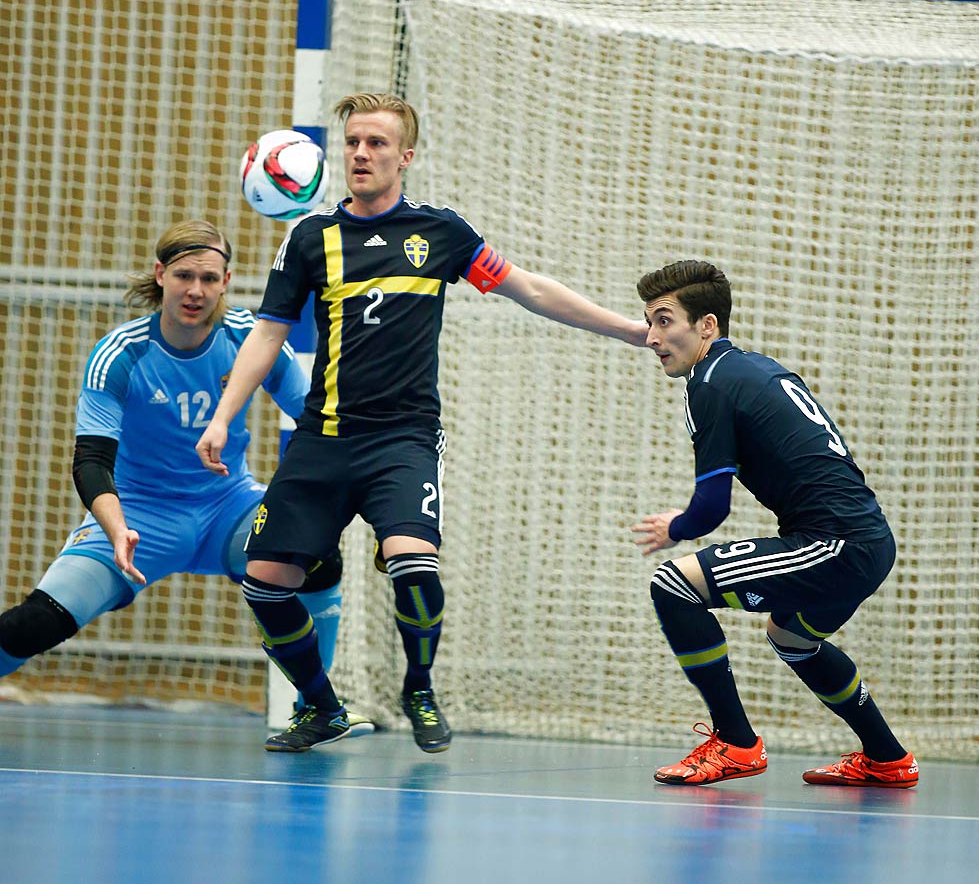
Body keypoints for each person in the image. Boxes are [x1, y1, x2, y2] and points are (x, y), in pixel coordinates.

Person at [196, 92, 649, 754]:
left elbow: (530, 289)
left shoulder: (440, 233)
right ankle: (321, 707)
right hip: (324, 438)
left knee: (414, 563)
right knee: (265, 583)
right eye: (352, 142)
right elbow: (266, 336)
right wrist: (221, 417)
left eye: (377, 143)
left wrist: (630, 331)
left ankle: (420, 687)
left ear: (404, 157)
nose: (360, 153)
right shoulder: (309, 239)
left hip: (401, 441)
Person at [0, 220, 367, 732]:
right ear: (161, 275)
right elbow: (90, 461)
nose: (196, 291)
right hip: (138, 517)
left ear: (227, 282)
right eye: (184, 276)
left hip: (228, 508)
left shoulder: (249, 340)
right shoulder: (121, 355)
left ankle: (316, 704)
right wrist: (114, 527)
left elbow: (317, 419)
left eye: (210, 279)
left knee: (319, 556)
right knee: (32, 625)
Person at [631, 258, 917, 788]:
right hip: (867, 541)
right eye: (648, 322)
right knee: (791, 638)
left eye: (664, 320)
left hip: (835, 544)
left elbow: (711, 508)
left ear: (707, 325)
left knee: (673, 586)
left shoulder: (710, 383)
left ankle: (736, 744)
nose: (651, 336)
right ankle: (887, 757)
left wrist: (677, 525)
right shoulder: (755, 368)